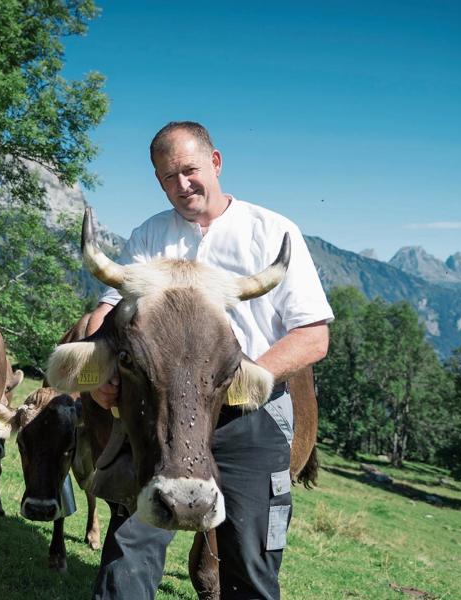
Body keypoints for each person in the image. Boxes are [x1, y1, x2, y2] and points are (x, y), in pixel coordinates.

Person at [87, 121, 333, 600]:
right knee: (129, 547)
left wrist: (241, 376)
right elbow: (109, 307)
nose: (181, 185)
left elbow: (312, 336)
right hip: (157, 408)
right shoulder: (149, 235)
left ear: (215, 163)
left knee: (249, 558)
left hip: (248, 411)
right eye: (167, 177)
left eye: (189, 170)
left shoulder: (273, 231)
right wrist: (101, 369)